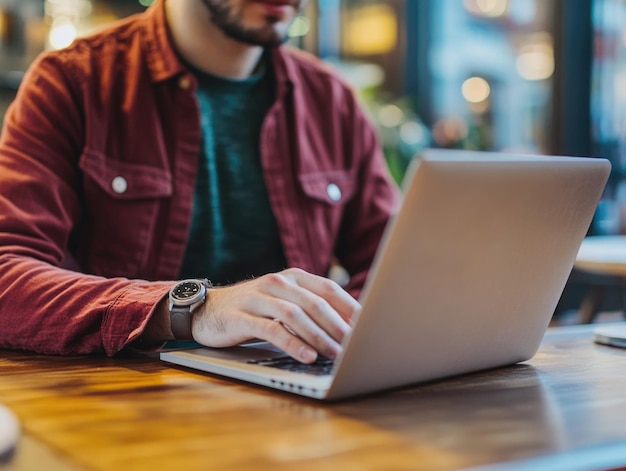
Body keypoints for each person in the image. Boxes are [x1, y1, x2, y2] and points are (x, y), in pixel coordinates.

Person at [0, 0, 398, 363]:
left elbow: (392, 265)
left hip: (295, 390)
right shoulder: (72, 82)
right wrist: (193, 310)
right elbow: (7, 277)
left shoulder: (331, 101)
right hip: (121, 401)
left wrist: (340, 330)